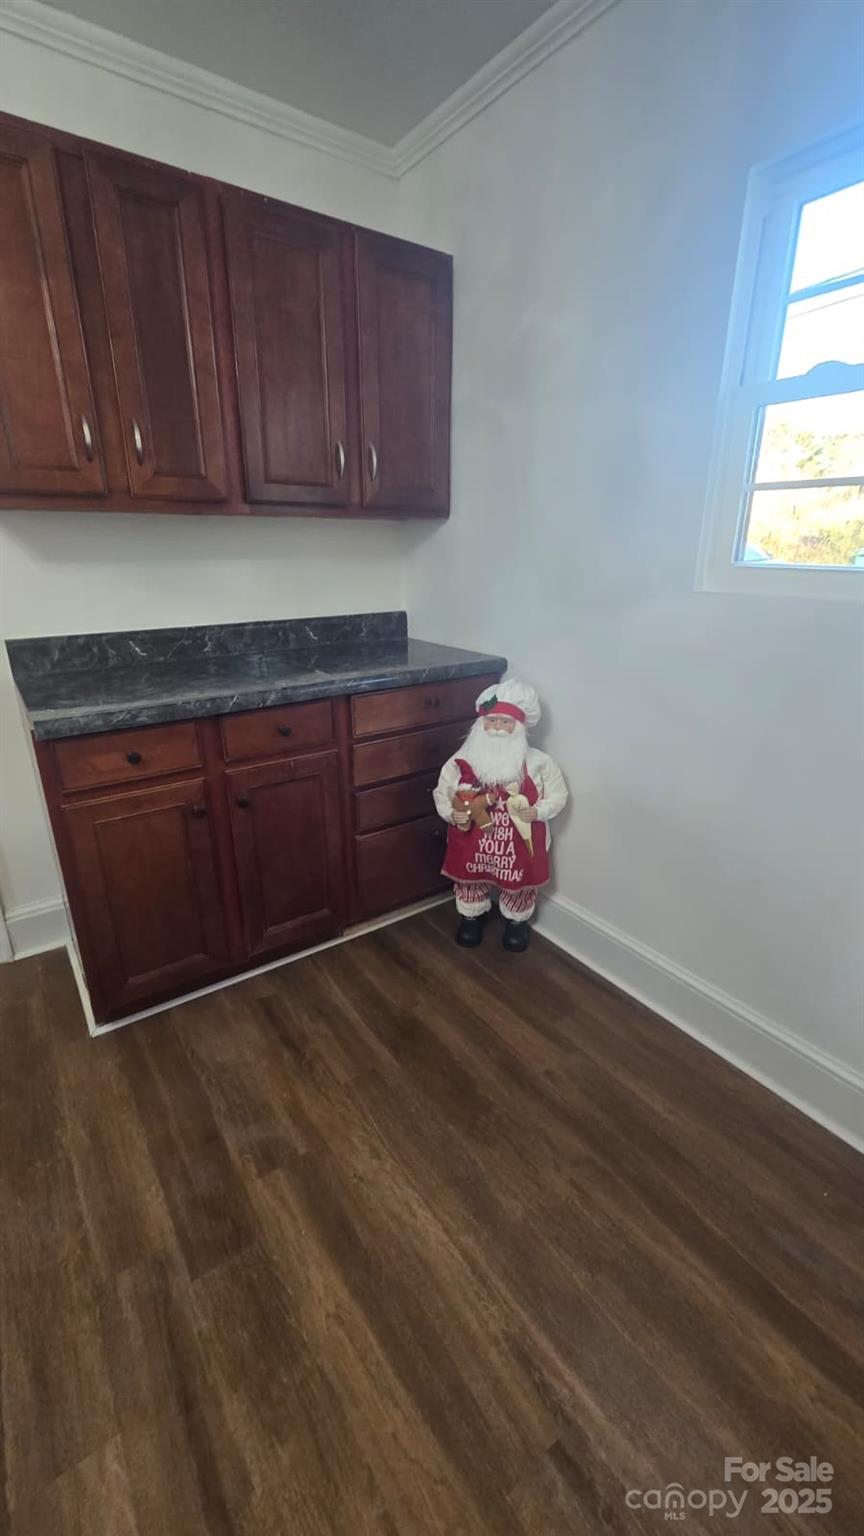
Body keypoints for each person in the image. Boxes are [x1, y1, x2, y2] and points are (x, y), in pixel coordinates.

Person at [433, 680, 567, 950]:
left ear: (519, 727)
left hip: (519, 843)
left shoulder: (539, 762)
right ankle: (471, 916)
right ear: (480, 724)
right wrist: (451, 813)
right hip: (473, 840)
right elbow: (443, 789)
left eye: (504, 722)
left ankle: (517, 921)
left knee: (520, 881)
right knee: (470, 878)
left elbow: (558, 794)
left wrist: (538, 810)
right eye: (491, 720)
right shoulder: (463, 759)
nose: (496, 728)